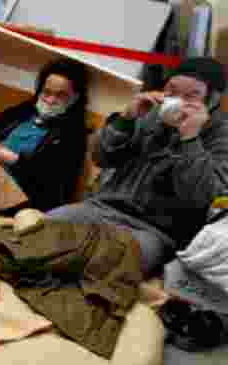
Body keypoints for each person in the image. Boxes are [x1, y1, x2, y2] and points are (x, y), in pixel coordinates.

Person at [46, 57, 228, 276]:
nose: (178, 99)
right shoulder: (151, 113)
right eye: (172, 90)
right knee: (44, 228)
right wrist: (126, 118)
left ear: (213, 100)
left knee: (113, 263)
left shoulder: (221, 136)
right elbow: (101, 158)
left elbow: (200, 196)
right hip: (103, 208)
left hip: (156, 232)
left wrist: (190, 138)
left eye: (191, 96)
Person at [0, 57, 90, 212]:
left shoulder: (73, 134)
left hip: (21, 199)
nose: (50, 100)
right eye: (46, 92)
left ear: (75, 98)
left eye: (60, 95)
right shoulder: (22, 111)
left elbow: (51, 183)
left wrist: (12, 159)